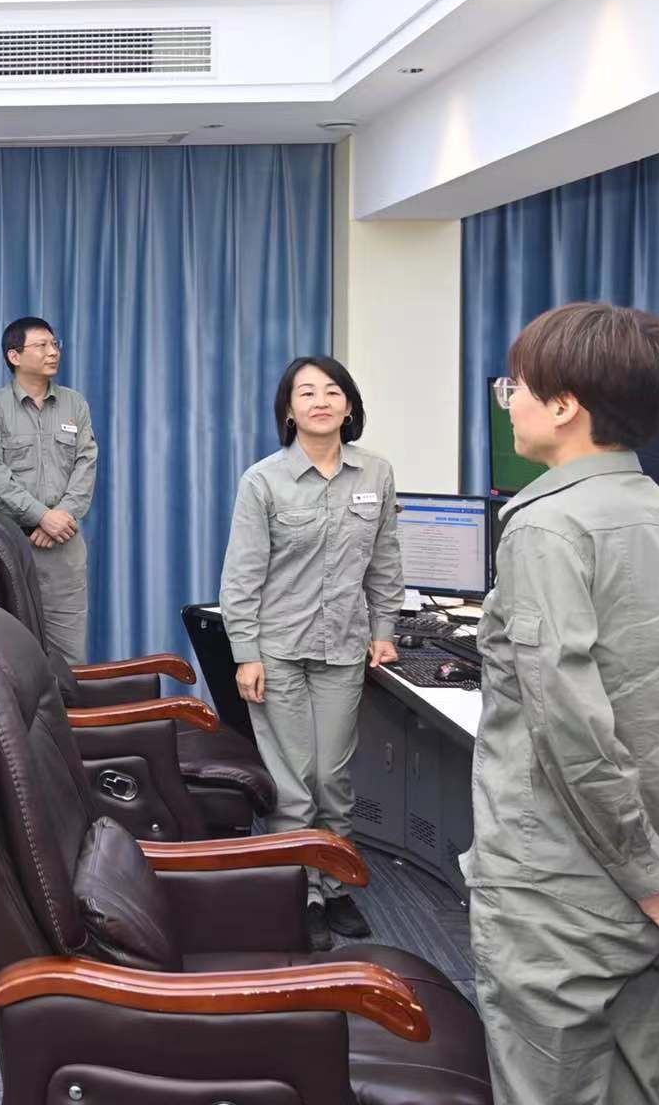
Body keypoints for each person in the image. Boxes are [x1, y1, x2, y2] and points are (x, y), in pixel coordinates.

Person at [466, 302, 659, 1105]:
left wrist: (651, 877)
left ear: (564, 405)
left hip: (563, 894)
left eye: (516, 387)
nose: (509, 402)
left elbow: (570, 726)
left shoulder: (545, 528)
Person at [218, 355, 401, 952]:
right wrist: (245, 652)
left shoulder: (376, 474)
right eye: (306, 393)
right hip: (277, 651)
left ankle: (335, 880)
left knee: (334, 777)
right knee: (294, 784)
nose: (320, 401)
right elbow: (241, 577)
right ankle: (303, 893)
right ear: (289, 411)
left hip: (343, 647)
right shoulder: (263, 480)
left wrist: (385, 627)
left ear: (349, 407)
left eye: (332, 391)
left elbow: (384, 559)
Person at [0, 316, 97, 662]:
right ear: (14, 356)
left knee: (69, 658)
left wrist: (61, 517)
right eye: (41, 345)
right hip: (14, 545)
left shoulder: (75, 404)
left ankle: (69, 703)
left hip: (64, 547)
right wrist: (42, 516)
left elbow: (86, 463)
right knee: (11, 655)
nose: (52, 352)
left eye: (55, 344)